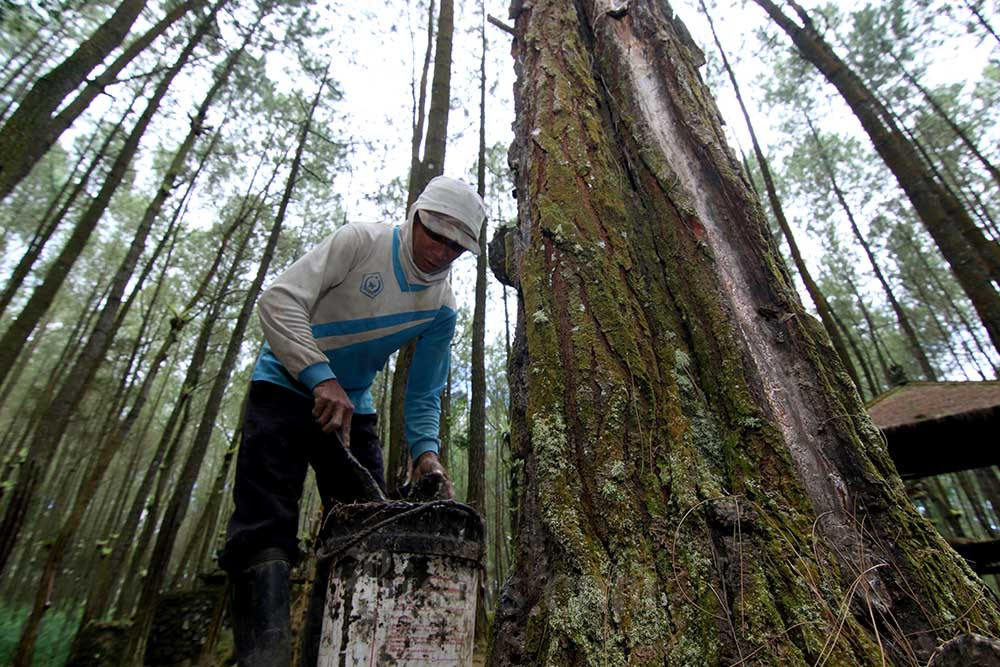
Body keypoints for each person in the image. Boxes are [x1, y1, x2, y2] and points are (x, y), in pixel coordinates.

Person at [219, 176, 487, 666]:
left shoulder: (442, 310)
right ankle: (263, 657)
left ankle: (335, 654)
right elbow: (278, 301)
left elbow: (424, 392)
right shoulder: (360, 242)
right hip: (283, 380)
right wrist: (319, 376)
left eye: (457, 245)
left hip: (353, 407)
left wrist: (427, 455)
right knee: (264, 520)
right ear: (414, 215)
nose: (441, 251)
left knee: (367, 527)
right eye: (435, 233)